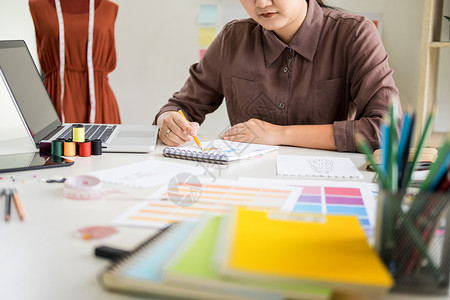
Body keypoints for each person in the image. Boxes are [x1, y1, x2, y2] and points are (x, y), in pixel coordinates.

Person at [155, 0, 402, 152]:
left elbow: (387, 129)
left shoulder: (355, 34)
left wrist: (280, 134)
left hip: (321, 186)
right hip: (245, 184)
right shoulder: (233, 38)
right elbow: (180, 106)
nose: (261, 3)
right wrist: (169, 122)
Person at [29, 0, 121, 124]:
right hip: (54, 105)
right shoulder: (38, 6)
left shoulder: (108, 8)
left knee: (104, 142)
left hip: (101, 107)